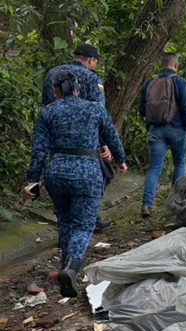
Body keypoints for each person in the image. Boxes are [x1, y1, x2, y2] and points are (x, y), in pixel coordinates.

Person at [25, 70, 127, 297]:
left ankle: (64, 269)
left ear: (55, 91)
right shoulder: (94, 109)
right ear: (79, 89)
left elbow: (39, 150)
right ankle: (71, 268)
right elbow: (112, 137)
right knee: (83, 225)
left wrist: (33, 180)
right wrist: (120, 160)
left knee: (65, 220)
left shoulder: (47, 112)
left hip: (57, 171)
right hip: (87, 171)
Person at [43, 43, 114, 229]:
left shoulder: (52, 73)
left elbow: (46, 106)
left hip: (56, 139)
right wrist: (104, 143)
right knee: (100, 174)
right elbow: (98, 113)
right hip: (86, 143)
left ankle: (65, 222)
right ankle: (88, 216)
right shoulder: (91, 78)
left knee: (61, 181)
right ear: (91, 60)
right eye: (96, 62)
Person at [138, 52, 186, 218]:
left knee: (154, 168)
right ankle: (174, 206)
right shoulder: (180, 82)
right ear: (176, 65)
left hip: (156, 130)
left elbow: (142, 109)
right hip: (178, 130)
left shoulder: (150, 82)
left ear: (161, 64)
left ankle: (147, 205)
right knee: (179, 163)